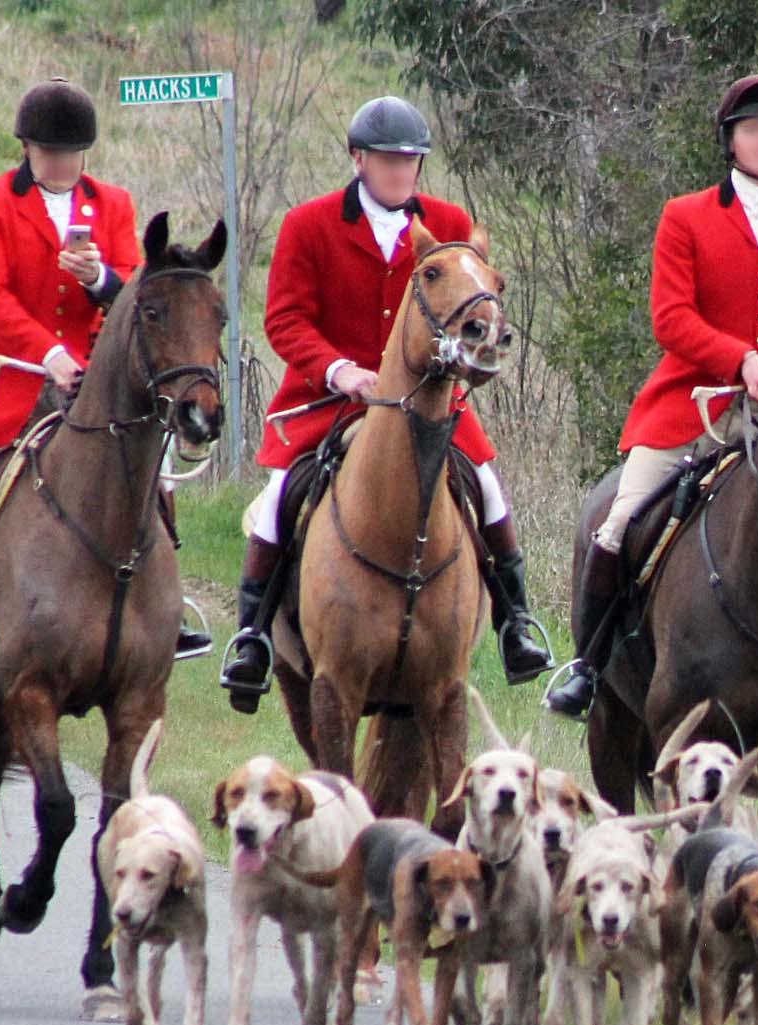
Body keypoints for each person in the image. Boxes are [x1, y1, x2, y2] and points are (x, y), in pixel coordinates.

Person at [542, 75, 758, 731]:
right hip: (688, 404)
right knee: (617, 524)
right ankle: (588, 670)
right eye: (753, 129)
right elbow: (670, 319)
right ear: (731, 141)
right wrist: (740, 359)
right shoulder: (686, 216)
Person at [219, 95, 551, 711]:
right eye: (388, 160)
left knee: (487, 484)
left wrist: (463, 357)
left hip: (429, 402)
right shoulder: (309, 225)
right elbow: (284, 320)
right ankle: (252, 637)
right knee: (278, 498)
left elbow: (472, 311)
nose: (401, 172)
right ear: (358, 159)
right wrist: (338, 369)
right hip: (331, 405)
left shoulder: (449, 224)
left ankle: (516, 625)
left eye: (411, 161)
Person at [0, 79, 209, 666]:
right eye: (50, 153)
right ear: (27, 149)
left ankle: (168, 608)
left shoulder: (112, 204)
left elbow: (137, 293)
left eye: (72, 153)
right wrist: (46, 353)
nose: (62, 164)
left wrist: (99, 280)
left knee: (152, 478)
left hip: (90, 381)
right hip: (1, 374)